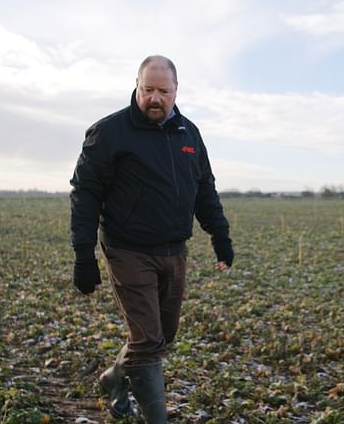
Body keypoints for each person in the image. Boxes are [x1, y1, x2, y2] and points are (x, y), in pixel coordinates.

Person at [69, 55, 234, 423]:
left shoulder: (188, 134)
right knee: (146, 342)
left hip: (174, 250)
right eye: (148, 90)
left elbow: (204, 189)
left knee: (162, 336)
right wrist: (83, 255)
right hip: (127, 249)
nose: (155, 98)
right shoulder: (110, 132)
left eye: (164, 91)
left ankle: (115, 378)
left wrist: (220, 237)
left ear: (176, 91)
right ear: (137, 85)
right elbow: (85, 194)